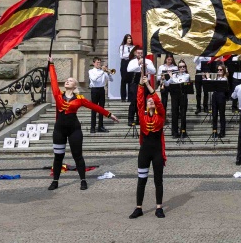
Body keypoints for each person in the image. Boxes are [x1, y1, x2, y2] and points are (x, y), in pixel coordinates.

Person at [48, 61, 118, 191]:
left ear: (75, 86)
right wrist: (51, 64)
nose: (67, 81)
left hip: (74, 130)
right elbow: (53, 80)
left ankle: (83, 180)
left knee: (78, 155)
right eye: (67, 80)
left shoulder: (79, 99)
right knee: (58, 156)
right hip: (59, 130)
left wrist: (109, 114)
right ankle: (55, 181)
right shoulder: (58, 95)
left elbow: (94, 106)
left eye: (70, 80)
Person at [131, 75, 166, 219]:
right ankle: (138, 207)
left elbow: (157, 100)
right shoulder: (142, 114)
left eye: (152, 101)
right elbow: (139, 99)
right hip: (144, 152)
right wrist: (141, 84)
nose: (151, 101)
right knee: (142, 180)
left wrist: (148, 85)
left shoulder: (161, 115)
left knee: (158, 180)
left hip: (157, 152)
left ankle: (159, 208)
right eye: (149, 101)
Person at [126, 46, 156, 126]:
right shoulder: (132, 62)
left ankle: (140, 119)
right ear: (135, 53)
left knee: (144, 101)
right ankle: (131, 119)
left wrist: (147, 66)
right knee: (134, 101)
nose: (140, 54)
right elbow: (129, 70)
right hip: (135, 83)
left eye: (141, 53)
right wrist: (138, 64)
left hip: (145, 83)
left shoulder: (148, 61)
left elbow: (153, 71)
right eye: (138, 53)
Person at [166, 61, 191, 138]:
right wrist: (163, 79)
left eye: (183, 66)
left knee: (183, 114)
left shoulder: (186, 75)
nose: (182, 68)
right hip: (174, 96)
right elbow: (167, 84)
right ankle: (174, 132)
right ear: (178, 68)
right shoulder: (174, 75)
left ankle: (183, 132)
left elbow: (180, 82)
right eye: (180, 67)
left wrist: (171, 76)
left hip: (183, 96)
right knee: (174, 114)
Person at [88, 57, 112, 133]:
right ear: (94, 63)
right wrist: (102, 72)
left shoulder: (103, 72)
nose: (99, 64)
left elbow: (111, 80)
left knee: (101, 109)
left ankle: (100, 126)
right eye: (97, 62)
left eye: (99, 62)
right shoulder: (91, 71)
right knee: (94, 109)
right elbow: (94, 79)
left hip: (101, 90)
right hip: (94, 90)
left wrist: (108, 73)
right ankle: (92, 127)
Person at [211, 63, 230, 138]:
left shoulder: (225, 79)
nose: (219, 71)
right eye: (218, 70)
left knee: (222, 114)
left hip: (221, 96)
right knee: (214, 114)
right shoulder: (215, 78)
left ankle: (222, 132)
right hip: (215, 96)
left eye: (221, 70)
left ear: (223, 70)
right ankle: (214, 131)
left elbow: (225, 88)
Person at [119, 34, 134, 102]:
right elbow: (121, 56)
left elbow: (134, 56)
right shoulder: (122, 47)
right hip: (124, 63)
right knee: (123, 80)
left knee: (131, 80)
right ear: (125, 39)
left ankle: (130, 97)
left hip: (131, 63)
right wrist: (130, 55)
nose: (129, 39)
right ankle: (123, 97)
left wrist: (130, 56)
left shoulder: (133, 47)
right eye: (128, 38)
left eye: (130, 38)